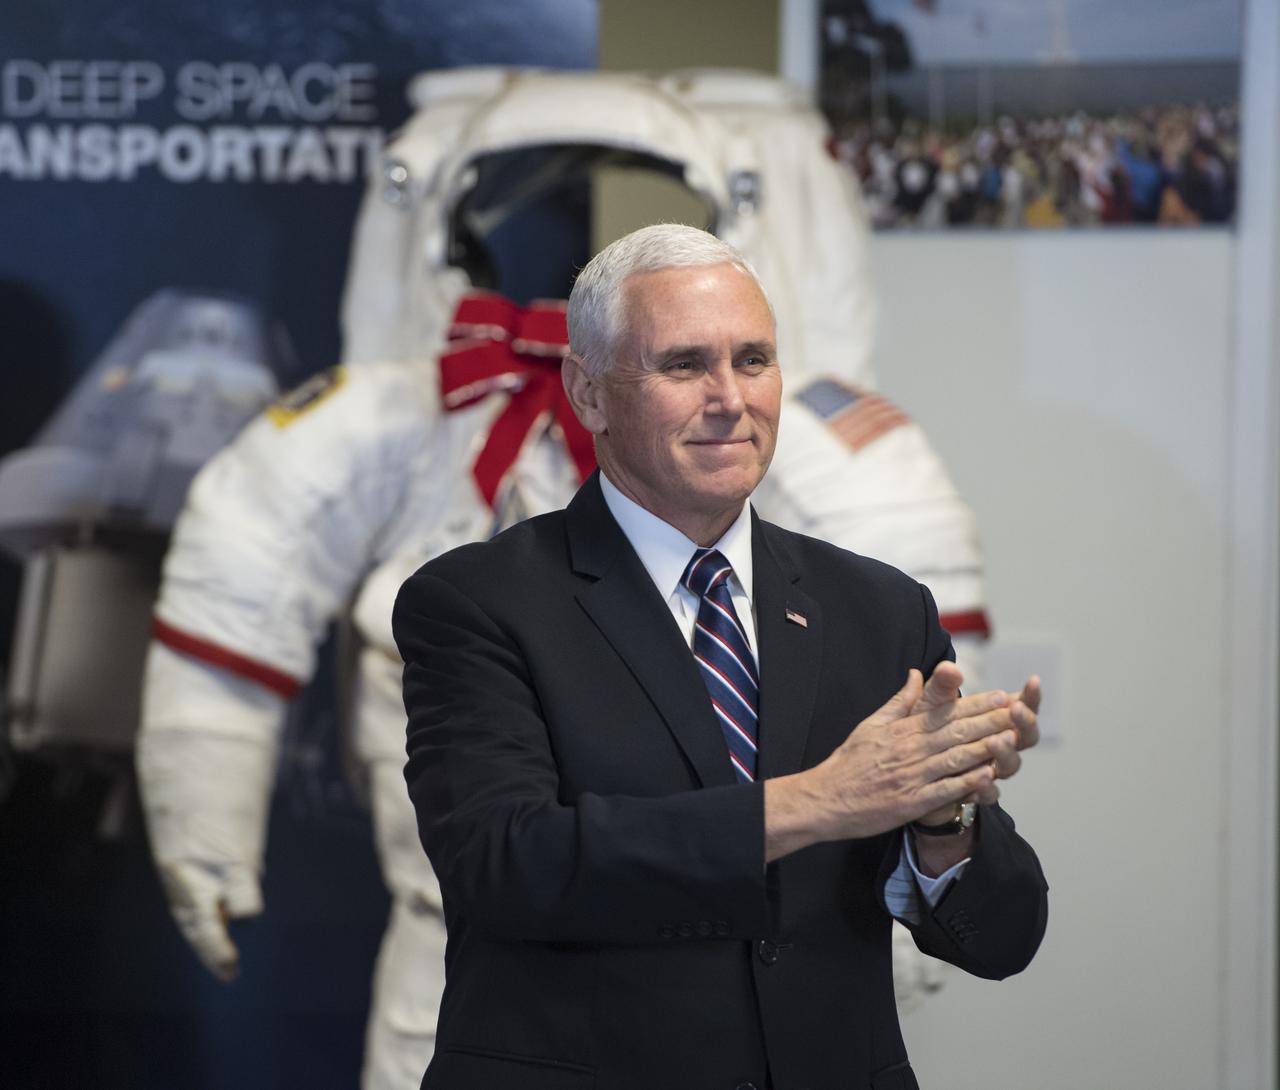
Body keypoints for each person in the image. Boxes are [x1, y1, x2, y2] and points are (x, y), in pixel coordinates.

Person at [394, 223, 1047, 1090]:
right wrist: (818, 800)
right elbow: (509, 864)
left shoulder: (882, 611)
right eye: (683, 365)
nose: (730, 398)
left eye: (753, 360)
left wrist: (941, 817)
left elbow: (1002, 942)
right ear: (588, 393)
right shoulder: (477, 603)